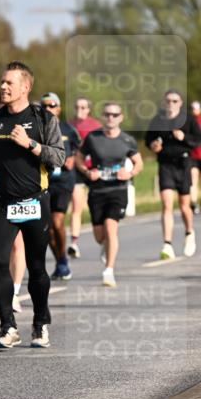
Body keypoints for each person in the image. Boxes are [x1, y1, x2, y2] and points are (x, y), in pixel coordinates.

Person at [0, 61, 65, 349]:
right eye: (2, 82)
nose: (3, 87)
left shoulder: (43, 119)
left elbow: (58, 157)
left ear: (25, 87)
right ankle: (8, 326)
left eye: (9, 83)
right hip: (1, 201)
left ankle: (40, 323)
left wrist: (30, 144)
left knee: (37, 266)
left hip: (35, 201)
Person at [75, 102, 143, 287]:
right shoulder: (93, 138)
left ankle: (109, 271)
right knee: (99, 236)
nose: (111, 118)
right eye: (107, 114)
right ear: (103, 117)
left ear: (121, 117)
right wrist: (87, 172)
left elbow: (139, 163)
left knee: (111, 228)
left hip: (118, 191)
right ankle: (105, 247)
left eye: (115, 115)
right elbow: (79, 158)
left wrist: (129, 173)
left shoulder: (127, 140)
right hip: (97, 191)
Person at [145, 90, 201, 260]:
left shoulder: (188, 119)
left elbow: (200, 139)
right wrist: (154, 145)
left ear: (180, 103)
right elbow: (148, 139)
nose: (171, 104)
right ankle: (167, 244)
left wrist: (184, 137)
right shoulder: (158, 120)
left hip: (183, 163)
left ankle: (189, 233)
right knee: (167, 204)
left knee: (184, 205)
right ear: (164, 103)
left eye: (174, 101)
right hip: (165, 164)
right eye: (168, 101)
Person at [41, 93, 81, 280]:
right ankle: (60, 261)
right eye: (44, 106)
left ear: (59, 109)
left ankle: (63, 260)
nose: (48, 108)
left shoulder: (68, 129)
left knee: (57, 222)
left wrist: (69, 157)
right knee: (47, 228)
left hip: (63, 181)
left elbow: (75, 154)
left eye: (52, 105)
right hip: (44, 182)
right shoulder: (37, 129)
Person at [67, 97, 102, 259]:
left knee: (98, 207)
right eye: (77, 107)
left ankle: (104, 241)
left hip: (94, 169)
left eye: (83, 107)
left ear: (88, 109)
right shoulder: (69, 125)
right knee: (76, 206)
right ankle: (74, 243)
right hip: (77, 170)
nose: (79, 110)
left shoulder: (96, 126)